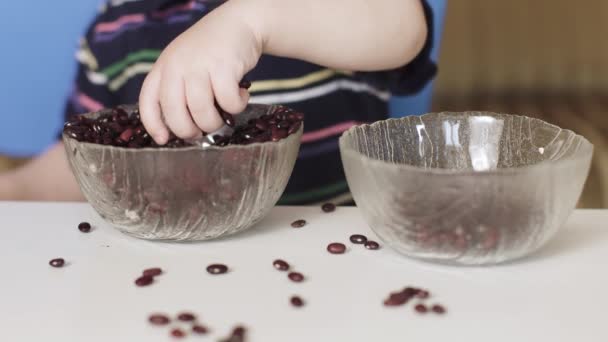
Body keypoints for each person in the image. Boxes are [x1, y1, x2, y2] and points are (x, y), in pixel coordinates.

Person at [0, 0, 436, 204]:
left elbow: (403, 28)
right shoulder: (117, 28)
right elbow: (87, 161)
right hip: (171, 264)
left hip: (336, 262)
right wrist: (17, 190)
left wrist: (251, 20)